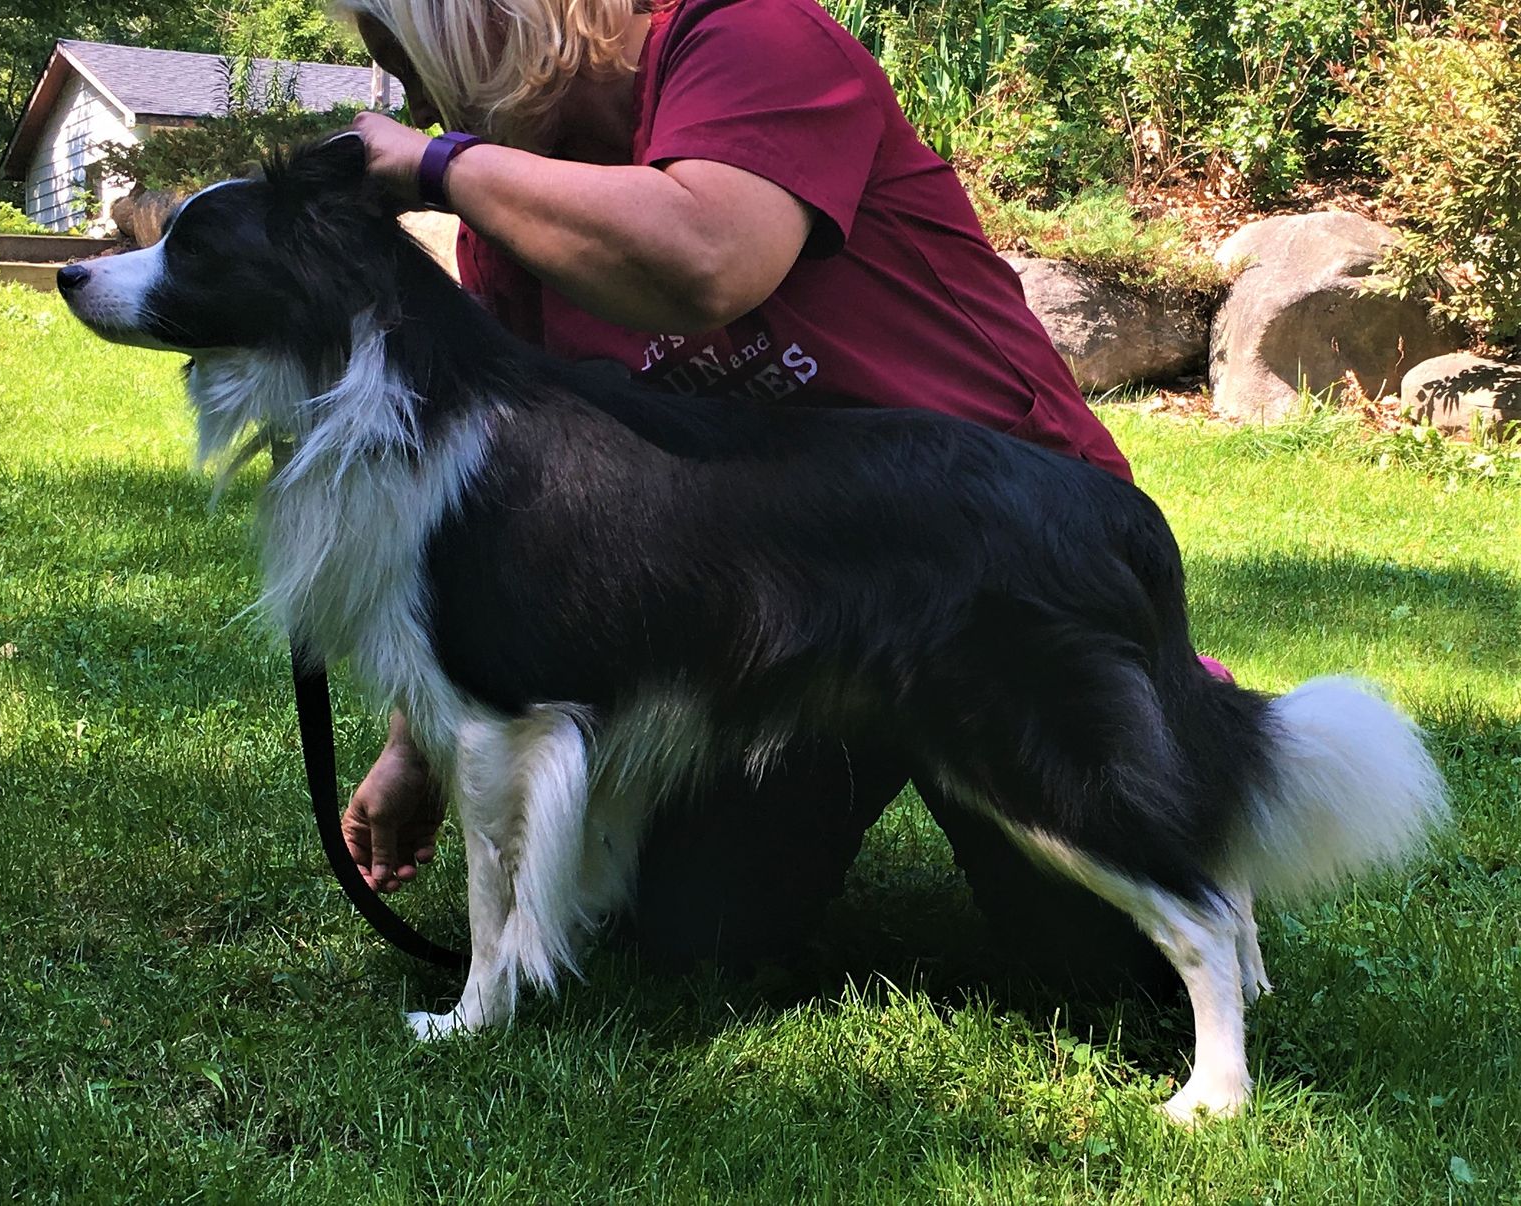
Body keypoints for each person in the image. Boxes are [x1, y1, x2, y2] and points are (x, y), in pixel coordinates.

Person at [331, 0, 1186, 988]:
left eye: (413, 67)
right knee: (693, 938)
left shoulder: (750, 39)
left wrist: (440, 168)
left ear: (480, 23)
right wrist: (416, 746)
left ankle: (1170, 711)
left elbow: (708, 261)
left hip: (999, 570)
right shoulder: (510, 224)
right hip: (783, 617)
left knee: (1112, 966)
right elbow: (503, 513)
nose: (422, 111)